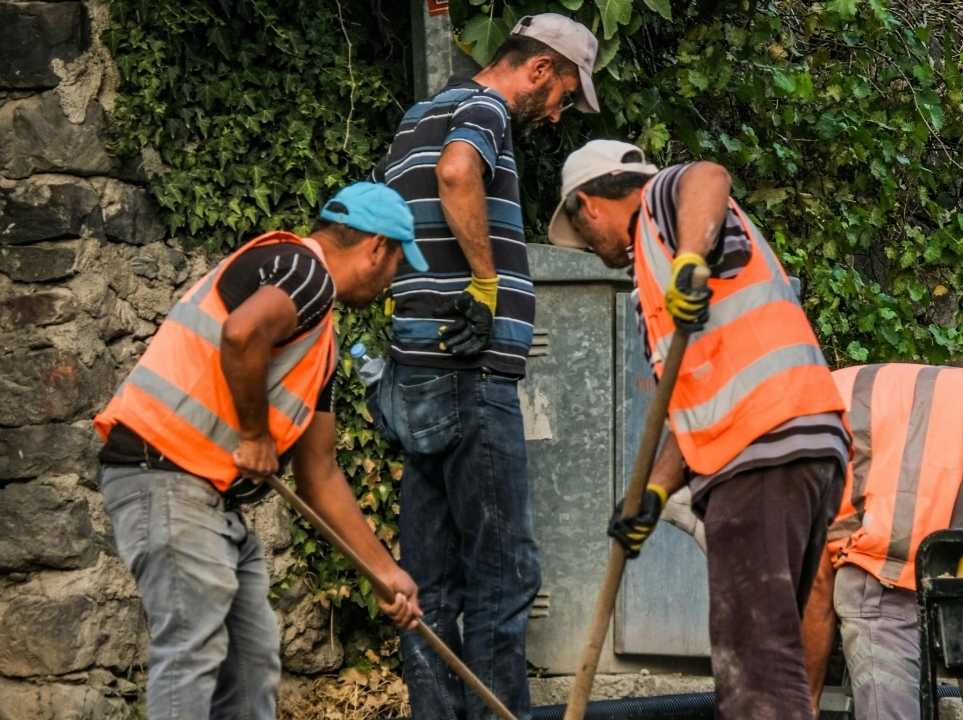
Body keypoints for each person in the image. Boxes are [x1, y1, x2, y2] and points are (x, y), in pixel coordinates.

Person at [93, 182, 428, 719]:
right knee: (192, 654)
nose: (393, 281)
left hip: (211, 500)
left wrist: (384, 572)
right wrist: (254, 435)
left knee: (251, 666)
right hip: (166, 475)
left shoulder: (320, 343)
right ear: (376, 249)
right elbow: (242, 332)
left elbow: (319, 474)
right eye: (397, 265)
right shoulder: (304, 270)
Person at [548, 139, 850, 720]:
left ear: (589, 206)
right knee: (764, 655)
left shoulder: (660, 207)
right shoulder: (654, 286)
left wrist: (690, 257)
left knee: (756, 674)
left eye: (586, 240)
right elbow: (686, 409)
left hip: (762, 447)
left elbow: (708, 175)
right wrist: (652, 496)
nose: (595, 251)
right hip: (794, 444)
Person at [369, 13, 600, 719]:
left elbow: (387, 214)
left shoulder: (416, 116)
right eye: (563, 92)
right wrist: (485, 284)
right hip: (472, 371)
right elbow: (458, 170)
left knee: (430, 585)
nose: (559, 111)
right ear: (537, 69)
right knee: (503, 575)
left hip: (416, 367)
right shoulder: (484, 108)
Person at [800, 364, 963, 720]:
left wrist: (803, 703)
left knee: (873, 596)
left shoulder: (782, 450)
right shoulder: (808, 408)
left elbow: (816, 586)